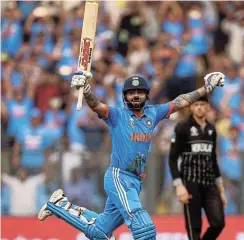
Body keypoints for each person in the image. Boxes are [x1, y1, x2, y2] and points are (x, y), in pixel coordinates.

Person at [38, 71, 225, 240]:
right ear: (125, 96)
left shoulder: (154, 112)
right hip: (119, 177)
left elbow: (181, 101)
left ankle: (59, 205)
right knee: (144, 229)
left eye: (140, 92)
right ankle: (59, 205)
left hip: (135, 182)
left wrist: (206, 88)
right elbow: (96, 105)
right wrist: (86, 90)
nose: (135, 95)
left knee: (100, 232)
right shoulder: (117, 115)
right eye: (131, 92)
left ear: (146, 95)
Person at [168, 96, 227, 240]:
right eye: (196, 104)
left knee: (218, 223)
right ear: (191, 107)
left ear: (208, 107)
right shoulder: (182, 127)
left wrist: (221, 190)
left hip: (210, 183)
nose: (199, 107)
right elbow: (173, 158)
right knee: (195, 228)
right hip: (190, 182)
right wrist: (179, 185)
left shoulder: (211, 129)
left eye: (202, 104)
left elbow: (213, 160)